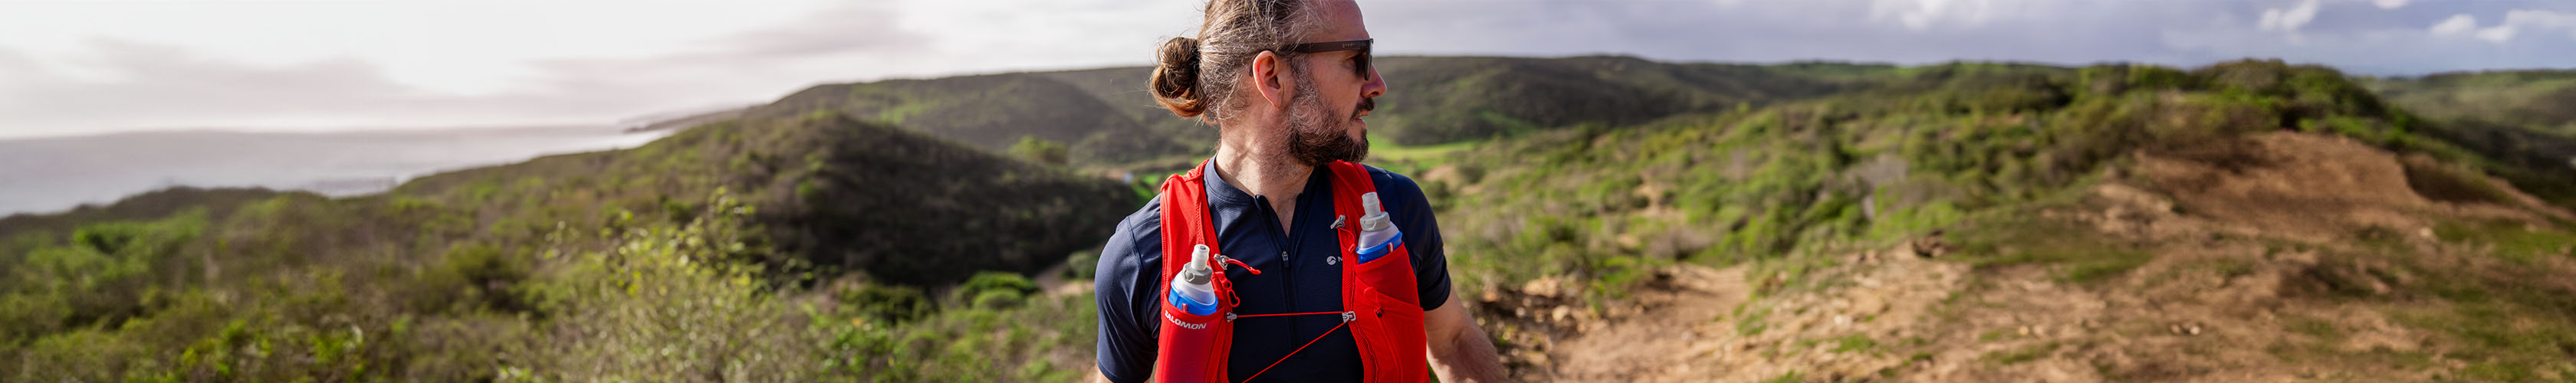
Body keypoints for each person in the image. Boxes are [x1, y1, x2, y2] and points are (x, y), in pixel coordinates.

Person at [1091, 0, 1507, 382]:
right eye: (1355, 59)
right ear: (1272, 77)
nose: (1376, 84)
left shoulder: (1396, 204)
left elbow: (1452, 340)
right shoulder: (1144, 251)